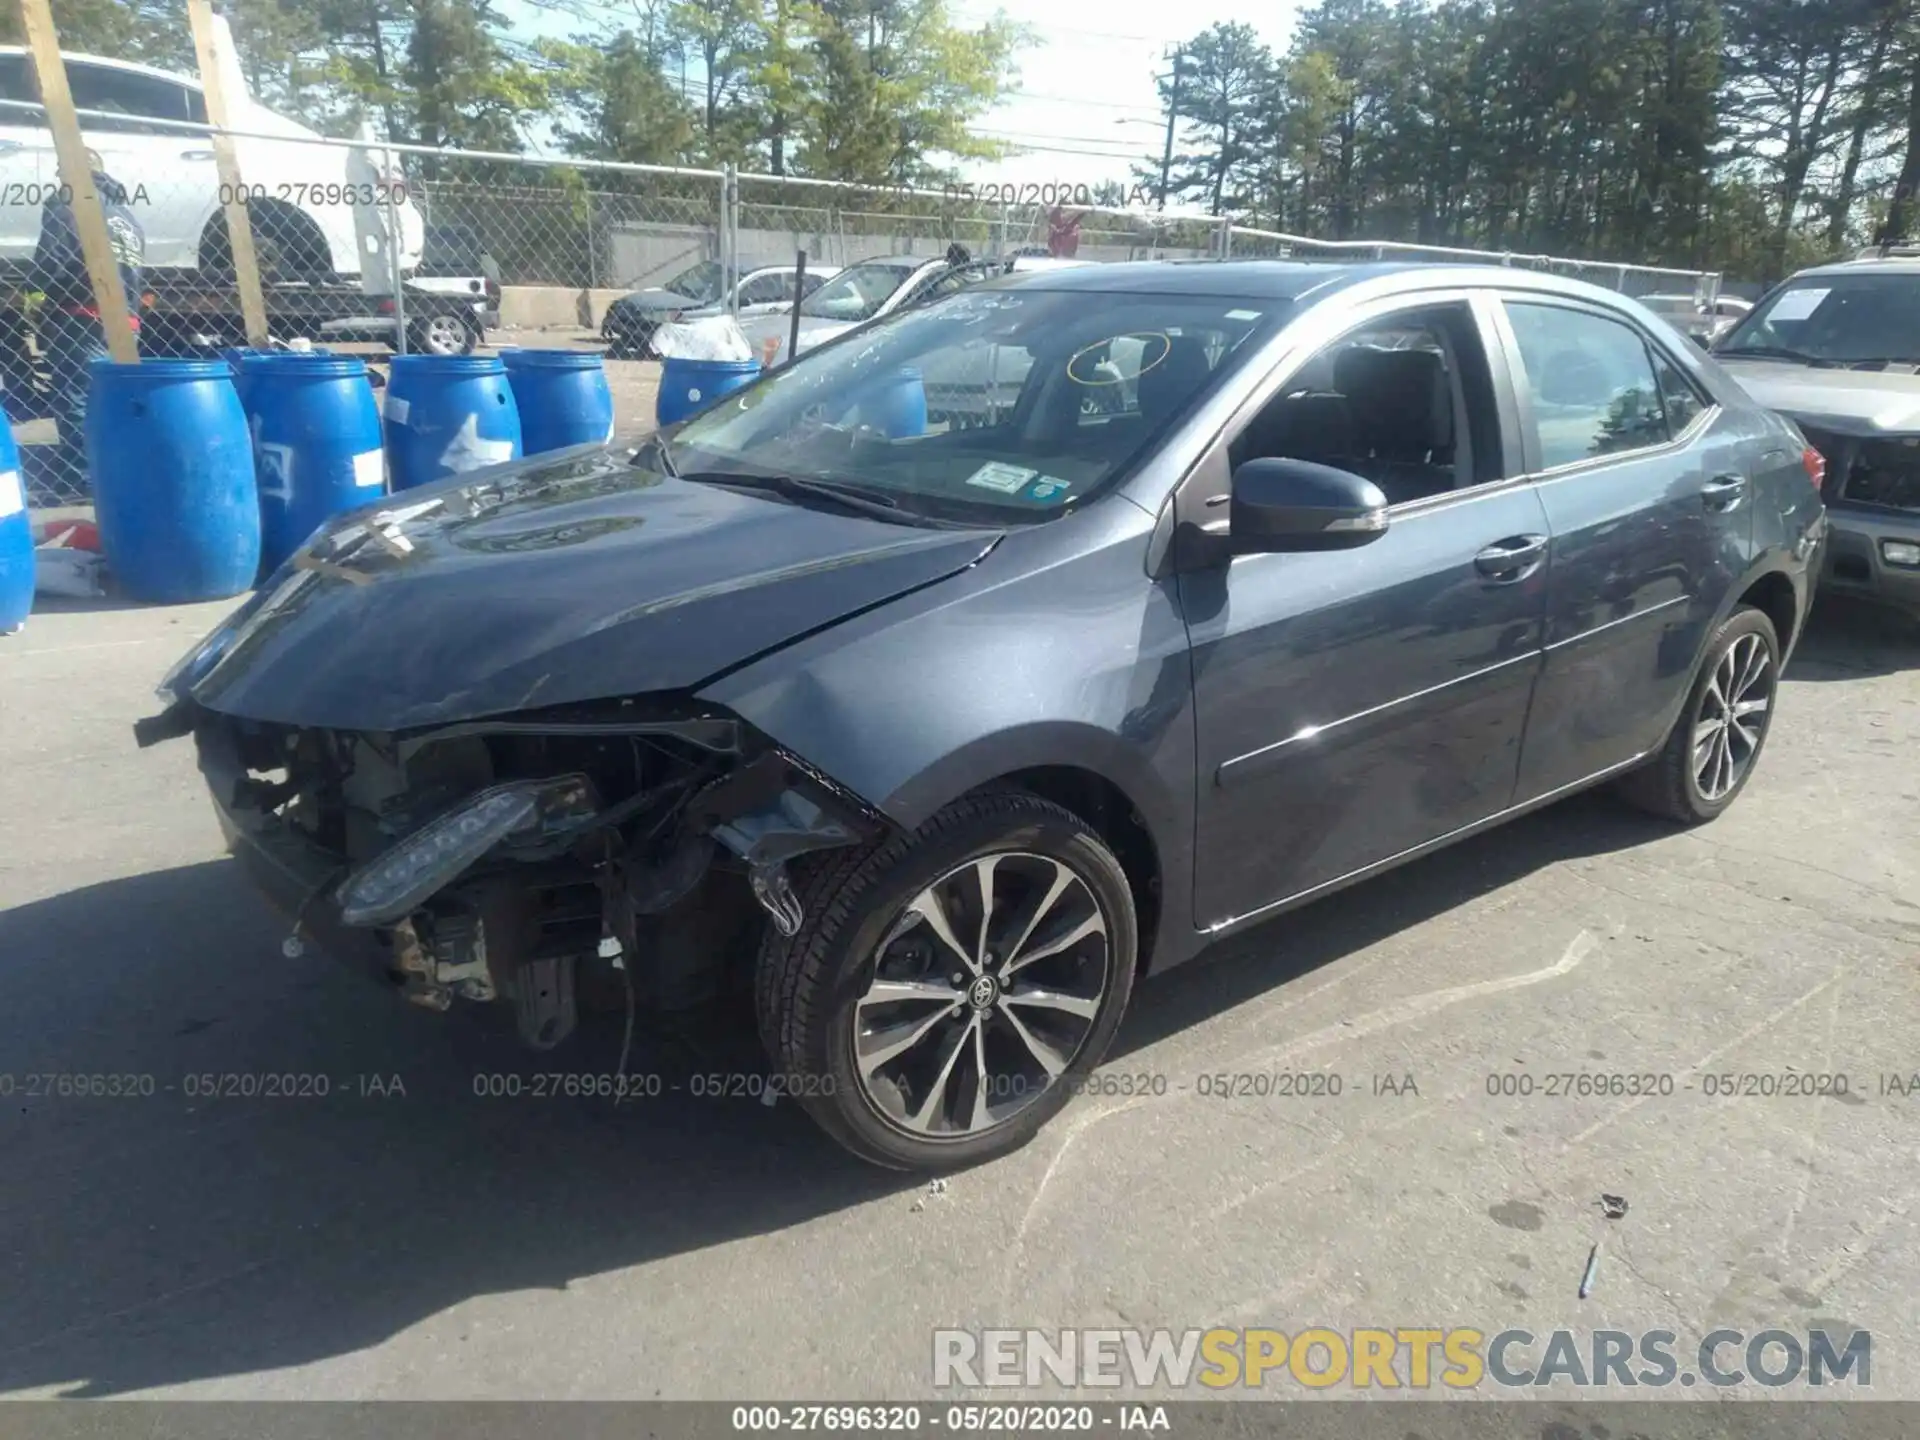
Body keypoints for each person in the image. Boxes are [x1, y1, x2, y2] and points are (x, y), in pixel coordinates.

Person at [32, 149, 145, 495]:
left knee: (75, 398)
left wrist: (32, 303)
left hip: (80, 315)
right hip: (125, 320)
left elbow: (50, 263)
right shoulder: (126, 217)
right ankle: (117, 470)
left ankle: (82, 479)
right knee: (108, 398)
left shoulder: (67, 205)